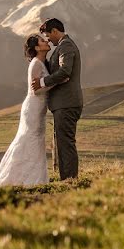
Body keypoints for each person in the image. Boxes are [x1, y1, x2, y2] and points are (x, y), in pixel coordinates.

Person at [0, 35, 54, 186]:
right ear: (37, 48)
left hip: (38, 108)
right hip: (33, 107)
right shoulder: (36, 64)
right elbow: (36, 90)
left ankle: (33, 177)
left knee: (35, 139)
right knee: (30, 138)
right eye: (42, 41)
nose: (46, 41)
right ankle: (23, 178)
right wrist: (56, 82)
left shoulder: (41, 63)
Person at [32, 18, 83, 179]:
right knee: (62, 143)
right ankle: (67, 178)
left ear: (55, 31)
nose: (48, 39)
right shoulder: (62, 46)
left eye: (48, 35)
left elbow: (65, 71)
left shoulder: (66, 46)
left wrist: (42, 82)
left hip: (66, 103)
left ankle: (69, 180)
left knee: (66, 143)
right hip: (63, 103)